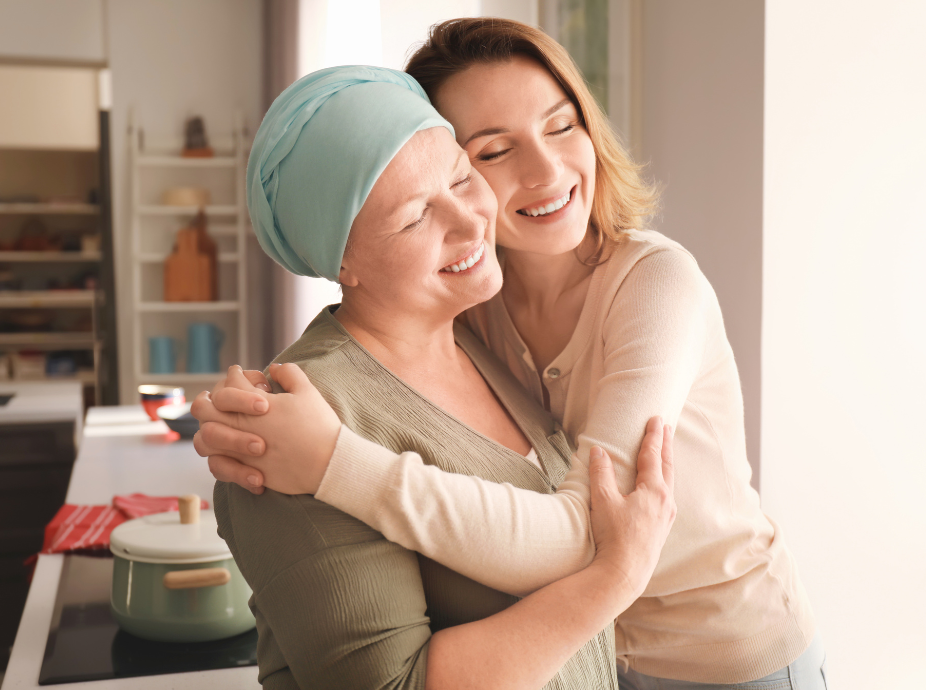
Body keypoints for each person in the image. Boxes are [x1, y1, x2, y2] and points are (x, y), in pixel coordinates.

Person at [197, 18, 827, 690]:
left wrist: (334, 463)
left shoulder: (652, 283)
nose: (547, 169)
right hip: (615, 653)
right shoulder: (477, 306)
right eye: (492, 154)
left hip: (728, 651)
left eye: (561, 126)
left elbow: (584, 530)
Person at [208, 64, 676, 690]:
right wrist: (615, 576)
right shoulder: (293, 427)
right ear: (339, 259)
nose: (469, 221)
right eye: (414, 217)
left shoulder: (479, 336)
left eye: (461, 177)